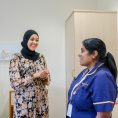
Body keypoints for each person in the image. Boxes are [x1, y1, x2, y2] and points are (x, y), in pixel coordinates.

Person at [67, 38, 117, 118]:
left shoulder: (103, 77)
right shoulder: (84, 72)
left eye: (82, 51)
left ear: (94, 54)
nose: (79, 54)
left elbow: (103, 115)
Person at [9, 29, 50, 118]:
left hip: (41, 104)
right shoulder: (16, 58)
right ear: (26, 40)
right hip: (24, 106)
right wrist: (34, 76)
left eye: (37, 40)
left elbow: (48, 81)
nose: (35, 42)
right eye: (32, 39)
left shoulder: (41, 57)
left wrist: (44, 76)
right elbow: (15, 84)